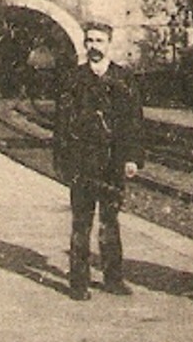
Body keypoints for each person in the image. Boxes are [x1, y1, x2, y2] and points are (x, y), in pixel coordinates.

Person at [53, 16, 144, 299]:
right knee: (81, 222)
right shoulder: (73, 79)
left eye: (99, 41)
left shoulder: (123, 78)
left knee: (110, 221)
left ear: (109, 44)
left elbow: (133, 121)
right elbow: (62, 124)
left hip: (112, 163)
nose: (94, 46)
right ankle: (78, 283)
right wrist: (63, 162)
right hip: (82, 162)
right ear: (84, 43)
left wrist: (132, 158)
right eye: (89, 40)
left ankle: (113, 279)